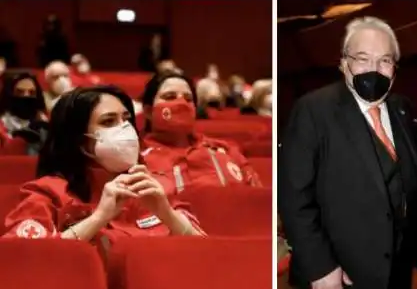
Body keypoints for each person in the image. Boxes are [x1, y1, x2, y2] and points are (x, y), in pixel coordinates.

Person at [280, 16, 417, 289]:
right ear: (344, 64)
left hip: (397, 272)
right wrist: (321, 269)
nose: (374, 69)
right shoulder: (313, 110)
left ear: (395, 69)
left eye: (384, 60)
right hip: (338, 275)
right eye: (363, 59)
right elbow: (294, 197)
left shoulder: (404, 109)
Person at [3, 85, 204, 245]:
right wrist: (97, 219)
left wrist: (167, 214)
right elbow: (22, 260)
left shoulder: (157, 187)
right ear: (81, 141)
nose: (125, 129)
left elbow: (208, 255)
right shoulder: (48, 194)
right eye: (108, 122)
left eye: (126, 119)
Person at [138, 72, 261, 193]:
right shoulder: (137, 158)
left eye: (188, 99)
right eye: (170, 97)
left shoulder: (226, 149)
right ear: (148, 111)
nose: (182, 104)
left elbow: (257, 199)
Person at [0, 72, 50, 155]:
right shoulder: (1, 126)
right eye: (19, 92)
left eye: (31, 92)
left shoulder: (46, 125)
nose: (26, 96)